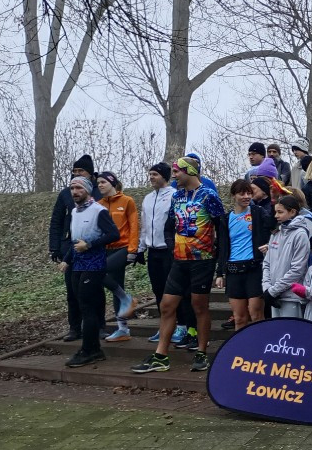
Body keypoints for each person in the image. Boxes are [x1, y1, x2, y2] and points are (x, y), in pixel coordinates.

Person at [131, 157, 225, 374]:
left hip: (202, 260)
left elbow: (222, 230)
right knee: (166, 305)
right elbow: (169, 225)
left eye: (177, 171)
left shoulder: (209, 196)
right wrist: (174, 247)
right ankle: (161, 356)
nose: (173, 176)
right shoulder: (177, 197)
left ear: (190, 172)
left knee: (199, 306)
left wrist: (219, 264)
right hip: (179, 260)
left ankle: (202, 352)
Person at [60, 176, 120, 367]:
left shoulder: (98, 211)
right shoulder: (75, 212)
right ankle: (94, 349)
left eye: (78, 188)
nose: (74, 192)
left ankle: (88, 350)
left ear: (87, 190)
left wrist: (90, 245)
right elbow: (76, 240)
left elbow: (113, 234)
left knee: (87, 306)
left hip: (94, 266)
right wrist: (66, 260)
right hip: (78, 265)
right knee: (83, 305)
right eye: (72, 188)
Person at [49, 154, 101, 342]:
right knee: (72, 290)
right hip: (69, 249)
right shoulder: (65, 194)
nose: (76, 174)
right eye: (74, 172)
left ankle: (98, 326)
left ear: (91, 174)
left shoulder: (100, 191)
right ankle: (74, 327)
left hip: (94, 249)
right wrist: (55, 247)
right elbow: (56, 221)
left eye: (81, 171)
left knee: (94, 290)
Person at [213, 179, 270, 329]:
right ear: (233, 195)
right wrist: (220, 273)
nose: (246, 196)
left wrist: (270, 245)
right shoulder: (225, 219)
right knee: (239, 318)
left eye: (249, 193)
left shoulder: (258, 212)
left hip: (254, 268)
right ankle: (241, 350)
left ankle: (261, 349)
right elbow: (222, 246)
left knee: (256, 313)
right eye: (242, 193)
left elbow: (273, 227)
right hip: (233, 270)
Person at [95, 171, 138, 342]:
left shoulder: (127, 201)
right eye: (98, 183)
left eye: (103, 182)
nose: (100, 185)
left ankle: (126, 298)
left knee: (100, 271)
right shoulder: (97, 205)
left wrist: (133, 250)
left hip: (123, 247)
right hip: (105, 249)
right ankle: (123, 329)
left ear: (112, 183)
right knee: (116, 287)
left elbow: (134, 225)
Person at [138, 163, 177, 343]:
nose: (151, 177)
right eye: (150, 174)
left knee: (174, 291)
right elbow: (145, 226)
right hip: (153, 252)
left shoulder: (174, 195)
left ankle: (180, 326)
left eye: (155, 174)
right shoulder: (147, 198)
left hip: (169, 250)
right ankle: (164, 327)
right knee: (158, 291)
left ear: (164, 176)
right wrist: (140, 249)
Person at [260, 194, 312, 318]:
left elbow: (297, 270)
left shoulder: (300, 234)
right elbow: (267, 263)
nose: (276, 216)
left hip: (291, 297)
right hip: (274, 294)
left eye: (280, 212)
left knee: (291, 334)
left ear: (292, 212)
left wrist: (273, 291)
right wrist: (267, 289)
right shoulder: (276, 232)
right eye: (275, 212)